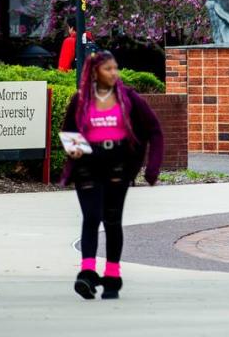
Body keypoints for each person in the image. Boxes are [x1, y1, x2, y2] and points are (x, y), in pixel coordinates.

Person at [61, 51, 164, 300]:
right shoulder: (81, 100)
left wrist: (152, 167)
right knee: (91, 216)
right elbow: (68, 131)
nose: (114, 73)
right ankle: (87, 273)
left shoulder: (128, 98)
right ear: (95, 72)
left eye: (115, 68)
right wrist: (74, 149)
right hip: (88, 164)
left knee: (112, 220)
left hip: (117, 165)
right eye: (108, 69)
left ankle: (112, 276)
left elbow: (154, 130)